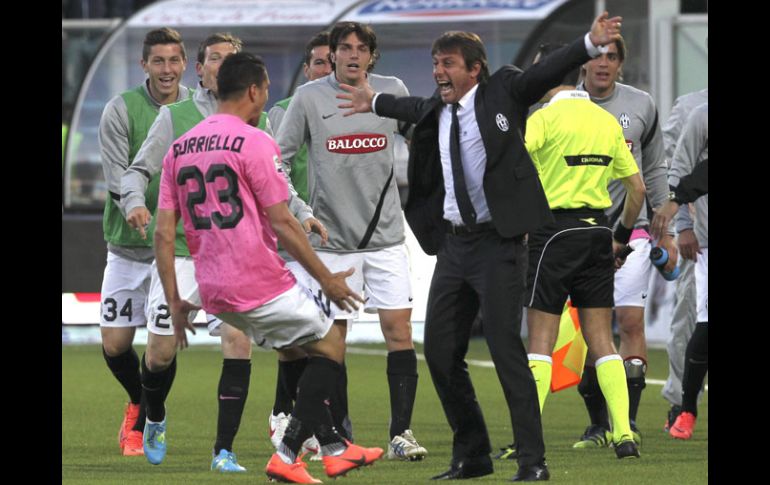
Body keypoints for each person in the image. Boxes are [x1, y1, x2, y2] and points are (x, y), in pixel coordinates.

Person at [337, 12, 623, 481]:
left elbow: (543, 74)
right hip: (454, 247)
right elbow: (412, 110)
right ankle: (473, 455)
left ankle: (534, 461)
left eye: (447, 63)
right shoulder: (438, 107)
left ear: (474, 69)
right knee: (441, 351)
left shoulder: (503, 92)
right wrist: (375, 102)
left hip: (498, 244)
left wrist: (588, 44)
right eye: (434, 63)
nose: (437, 72)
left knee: (507, 350)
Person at [154, 51, 383, 484]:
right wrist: (327, 279)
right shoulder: (254, 140)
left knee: (294, 349)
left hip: (215, 290)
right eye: (266, 92)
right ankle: (288, 453)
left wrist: (175, 300)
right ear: (255, 90)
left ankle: (335, 448)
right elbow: (283, 221)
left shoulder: (180, 148)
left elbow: (164, 234)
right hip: (257, 279)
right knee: (332, 342)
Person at [121, 32, 314, 470]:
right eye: (215, 59)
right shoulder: (175, 118)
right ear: (200, 69)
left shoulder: (255, 121)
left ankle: (222, 451)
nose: (223, 66)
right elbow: (138, 171)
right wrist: (134, 203)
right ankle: (154, 414)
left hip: (234, 256)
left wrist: (301, 212)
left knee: (237, 342)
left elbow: (278, 181)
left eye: (231, 59)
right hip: (186, 255)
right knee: (160, 355)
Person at [275, 21, 428, 462]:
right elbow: (277, 162)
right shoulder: (308, 98)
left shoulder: (390, 90)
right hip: (333, 244)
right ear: (334, 53)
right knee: (330, 342)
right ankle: (336, 435)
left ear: (372, 56)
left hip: (385, 238)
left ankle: (401, 433)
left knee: (398, 332)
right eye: (345, 48)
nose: (353, 55)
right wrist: (301, 209)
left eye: (361, 49)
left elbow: (423, 137)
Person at [522, 72, 645, 459]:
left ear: (546, 84)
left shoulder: (542, 118)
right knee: (602, 341)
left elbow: (513, 167)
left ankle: (529, 437)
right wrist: (620, 239)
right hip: (597, 232)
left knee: (540, 341)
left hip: (552, 232)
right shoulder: (606, 121)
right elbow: (637, 190)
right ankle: (623, 433)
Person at [572, 35, 678, 448]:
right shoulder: (563, 107)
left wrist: (664, 227)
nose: (603, 64)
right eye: (596, 56)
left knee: (629, 322)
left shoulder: (640, 105)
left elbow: (653, 168)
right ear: (583, 63)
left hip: (631, 233)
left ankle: (626, 423)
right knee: (590, 330)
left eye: (612, 57)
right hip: (576, 230)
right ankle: (598, 422)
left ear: (620, 63)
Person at [97, 27, 190, 457]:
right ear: (144, 65)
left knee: (162, 348)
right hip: (127, 246)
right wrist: (133, 210)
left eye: (174, 60)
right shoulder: (121, 109)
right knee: (115, 345)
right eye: (159, 61)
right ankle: (140, 401)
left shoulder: (197, 108)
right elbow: (117, 173)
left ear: (184, 63)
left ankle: (149, 420)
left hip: (177, 250)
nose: (167, 69)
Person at [265, 31, 341, 456]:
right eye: (318, 63)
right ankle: (292, 419)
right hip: (291, 240)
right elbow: (277, 176)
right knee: (303, 335)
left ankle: (303, 421)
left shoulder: (351, 108)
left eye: (331, 62)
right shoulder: (280, 114)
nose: (325, 70)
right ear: (305, 69)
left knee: (315, 335)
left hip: (335, 237)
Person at [650, 102, 708, 441]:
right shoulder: (697, 112)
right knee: (702, 325)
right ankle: (685, 408)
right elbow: (683, 170)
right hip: (705, 240)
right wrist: (681, 220)